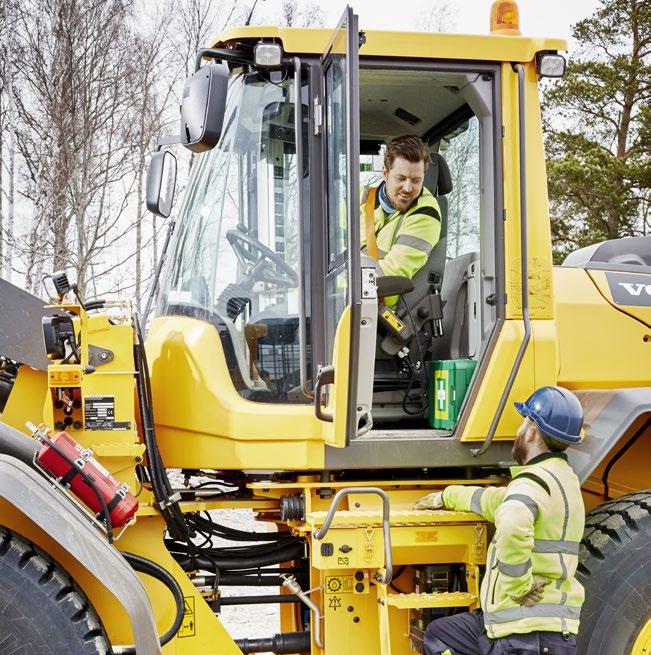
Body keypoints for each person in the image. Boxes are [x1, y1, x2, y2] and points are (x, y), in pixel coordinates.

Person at [416, 386, 585, 655]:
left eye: (523, 421)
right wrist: (446, 496)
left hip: (523, 634)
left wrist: (518, 586)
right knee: (442, 634)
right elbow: (498, 501)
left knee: (438, 638)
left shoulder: (532, 483)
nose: (518, 430)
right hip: (553, 635)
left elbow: (513, 519)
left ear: (531, 430)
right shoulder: (562, 482)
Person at [361, 135, 441, 307]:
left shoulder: (426, 213)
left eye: (416, 180)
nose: (407, 188)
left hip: (376, 313)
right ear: (385, 173)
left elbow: (390, 280)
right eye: (401, 178)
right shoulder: (359, 200)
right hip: (342, 302)